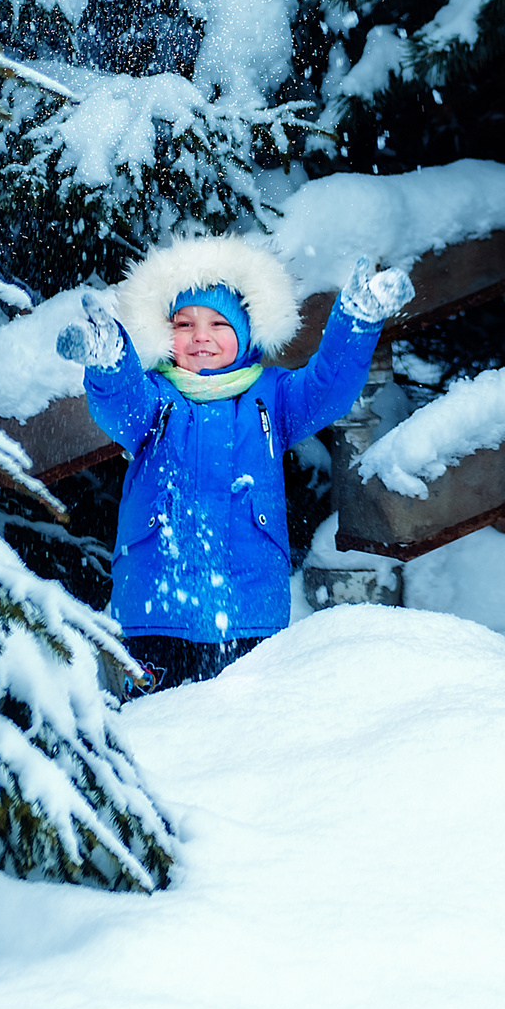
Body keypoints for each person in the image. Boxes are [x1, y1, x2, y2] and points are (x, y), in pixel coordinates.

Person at [56, 236, 414, 692]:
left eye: (218, 323)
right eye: (184, 324)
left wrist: (356, 322)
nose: (200, 336)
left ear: (247, 333)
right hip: (155, 614)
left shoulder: (273, 397)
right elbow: (119, 405)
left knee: (242, 743)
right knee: (156, 736)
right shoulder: (154, 399)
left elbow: (329, 389)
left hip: (250, 612)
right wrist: (110, 360)